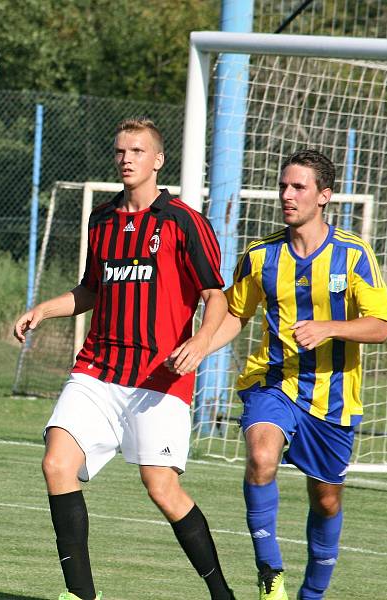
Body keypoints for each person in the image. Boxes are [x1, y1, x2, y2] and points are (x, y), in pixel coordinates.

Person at [14, 118, 236, 600]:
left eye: (137, 150)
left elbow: (215, 296)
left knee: (162, 489)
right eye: (120, 151)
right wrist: (44, 310)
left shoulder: (182, 220)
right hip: (98, 369)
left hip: (159, 377)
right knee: (56, 463)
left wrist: (199, 344)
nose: (126, 158)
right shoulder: (102, 220)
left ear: (157, 160)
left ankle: (221, 593)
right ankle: (79, 595)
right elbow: (91, 290)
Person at [192, 149, 387, 599]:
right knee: (261, 458)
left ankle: (312, 595)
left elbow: (380, 326)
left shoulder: (353, 255)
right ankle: (270, 573)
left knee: (326, 500)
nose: (286, 194)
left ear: (324, 195)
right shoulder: (261, 256)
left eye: (298, 187)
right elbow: (234, 314)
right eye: (283, 185)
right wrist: (199, 346)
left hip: (333, 396)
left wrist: (330, 328)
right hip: (272, 382)